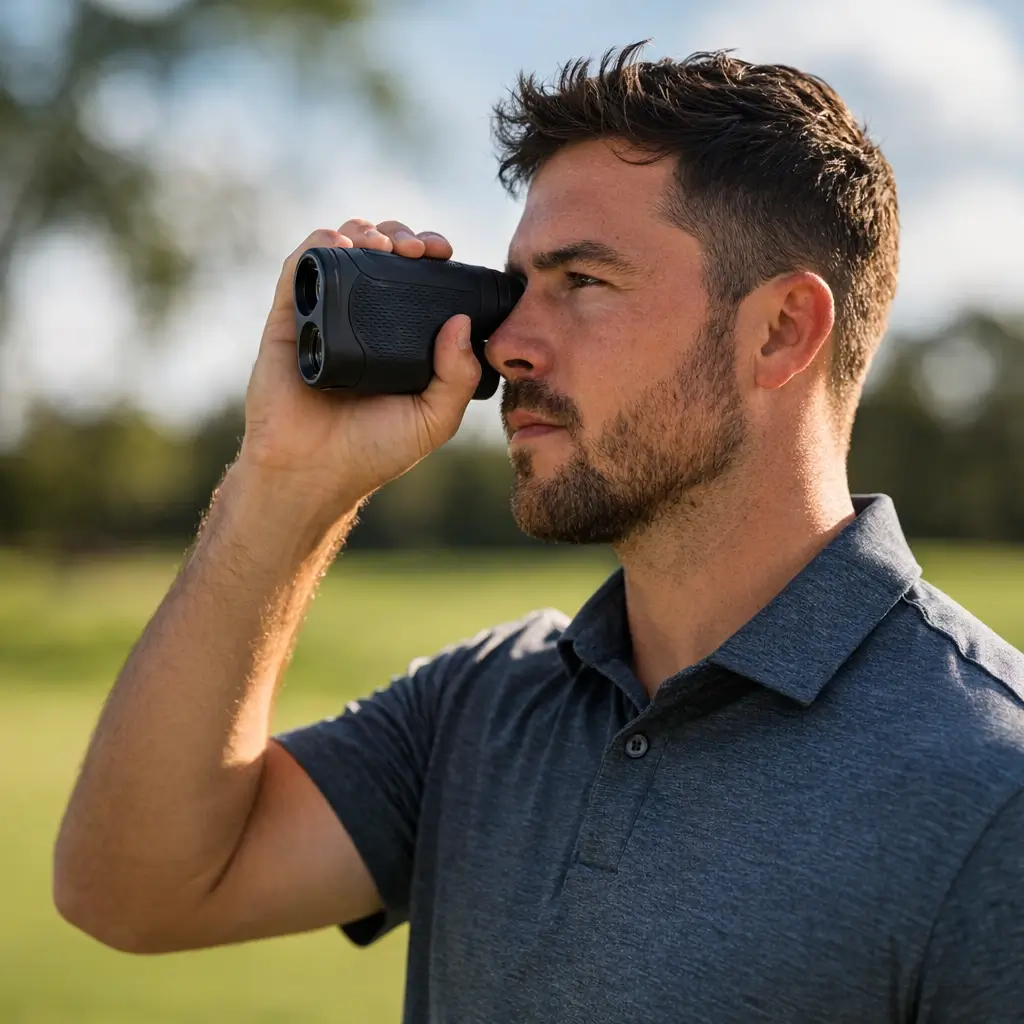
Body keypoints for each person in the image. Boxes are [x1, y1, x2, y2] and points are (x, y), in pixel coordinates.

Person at [53, 45, 1024, 1023]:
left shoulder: (994, 785)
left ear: (778, 332)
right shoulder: (475, 708)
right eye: (515, 284)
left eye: (583, 281)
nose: (507, 343)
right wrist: (283, 482)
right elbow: (130, 892)